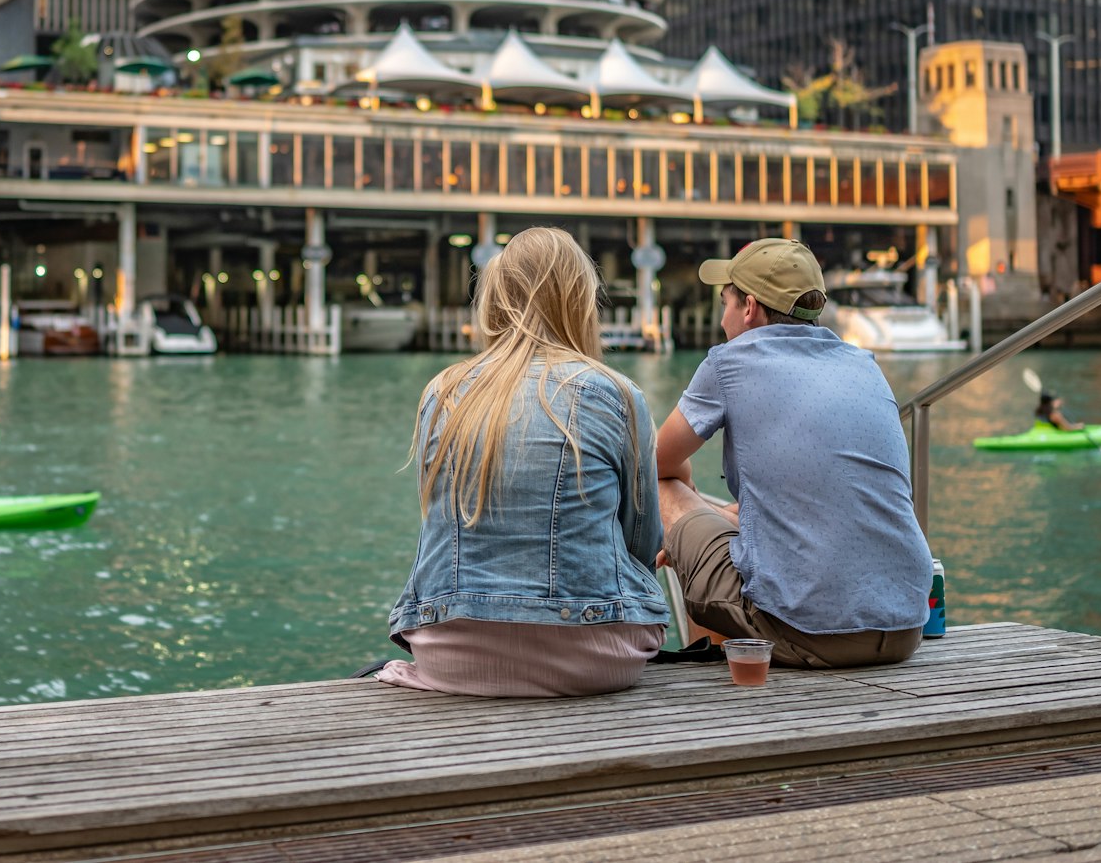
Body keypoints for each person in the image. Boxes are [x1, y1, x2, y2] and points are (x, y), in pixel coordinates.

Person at [378, 226, 668, 697]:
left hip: (451, 652)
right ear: (581, 301)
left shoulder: (443, 392)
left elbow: (437, 522)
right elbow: (642, 543)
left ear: (494, 297)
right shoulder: (614, 393)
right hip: (595, 654)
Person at [654, 238, 932, 669]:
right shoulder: (863, 364)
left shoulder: (728, 362)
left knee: (666, 492)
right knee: (723, 523)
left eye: (724, 301)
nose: (722, 316)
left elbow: (656, 463)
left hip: (808, 634)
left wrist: (686, 502)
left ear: (749, 307)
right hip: (904, 630)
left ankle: (719, 668)